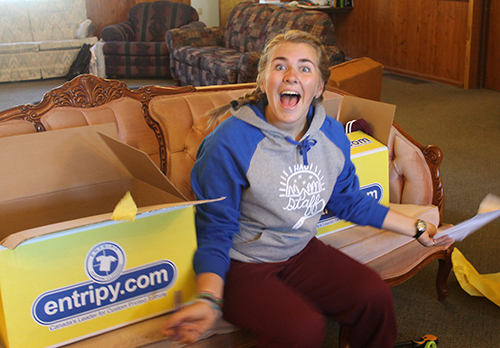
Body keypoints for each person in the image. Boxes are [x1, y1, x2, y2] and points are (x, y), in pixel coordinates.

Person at [162, 30, 453, 348]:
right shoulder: (228, 143)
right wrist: (208, 299)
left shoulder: (331, 133)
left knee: (375, 296)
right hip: (242, 265)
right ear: (263, 82)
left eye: (304, 67)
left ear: (320, 86)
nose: (291, 76)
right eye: (280, 66)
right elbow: (214, 232)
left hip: (299, 251)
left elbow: (348, 200)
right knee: (303, 331)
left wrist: (418, 227)